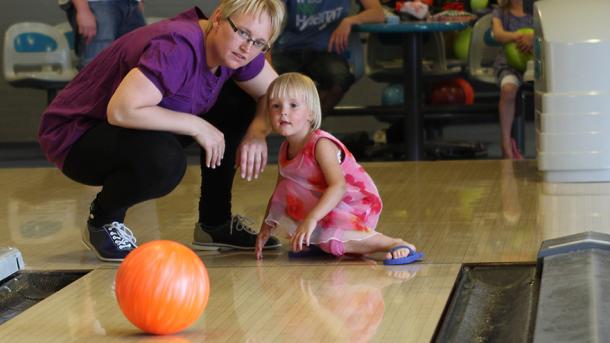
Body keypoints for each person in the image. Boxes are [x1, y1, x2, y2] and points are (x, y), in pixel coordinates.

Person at [38, 0, 286, 262]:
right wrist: (198, 125)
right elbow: (121, 110)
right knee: (164, 161)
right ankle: (103, 220)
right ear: (218, 18)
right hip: (77, 137)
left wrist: (257, 132)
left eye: (260, 42)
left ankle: (215, 224)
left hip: (130, 125)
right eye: (243, 33)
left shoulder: (236, 51)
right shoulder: (178, 46)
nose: (248, 47)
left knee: (240, 102)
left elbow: (278, 95)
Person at [255, 73, 422, 264]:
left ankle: (392, 243)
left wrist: (311, 219)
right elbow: (279, 193)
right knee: (287, 188)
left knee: (332, 241)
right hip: (327, 203)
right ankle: (321, 240)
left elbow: (338, 187)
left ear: (310, 112)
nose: (283, 112)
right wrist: (265, 228)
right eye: (276, 106)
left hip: (352, 204)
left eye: (293, 105)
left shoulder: (321, 144)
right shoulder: (285, 149)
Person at [271, 0, 384, 115]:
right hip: (287, 49)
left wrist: (350, 21)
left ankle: (309, 124)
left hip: (325, 51)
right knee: (260, 79)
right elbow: (269, 13)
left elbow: (378, 13)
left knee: (338, 80)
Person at [491, 0, 533, 159]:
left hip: (534, 65)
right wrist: (518, 36)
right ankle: (506, 142)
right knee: (508, 90)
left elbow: (548, 33)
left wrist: (533, 37)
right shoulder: (500, 12)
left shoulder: (537, 11)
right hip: (509, 66)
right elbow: (498, 34)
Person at [59, 0, 147, 69]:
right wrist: (82, 9)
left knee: (135, 64)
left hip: (130, 5)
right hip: (96, 5)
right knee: (97, 68)